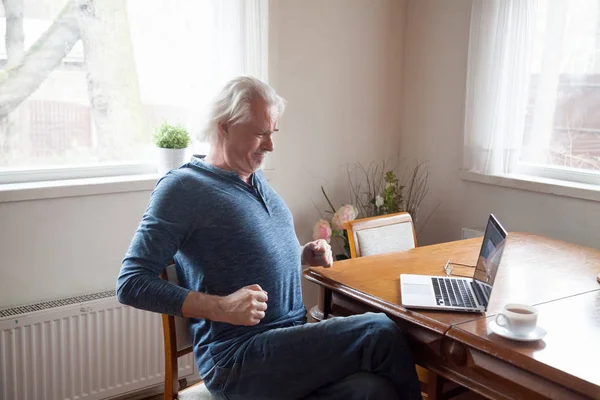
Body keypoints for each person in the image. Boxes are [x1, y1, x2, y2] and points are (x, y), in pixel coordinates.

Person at [117, 76, 422, 400]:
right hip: (238, 358)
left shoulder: (255, 180)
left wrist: (302, 255)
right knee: (378, 331)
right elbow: (131, 282)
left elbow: (245, 254)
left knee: (374, 390)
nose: (271, 145)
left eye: (272, 133)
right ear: (224, 127)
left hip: (286, 344)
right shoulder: (183, 188)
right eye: (261, 134)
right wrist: (221, 307)